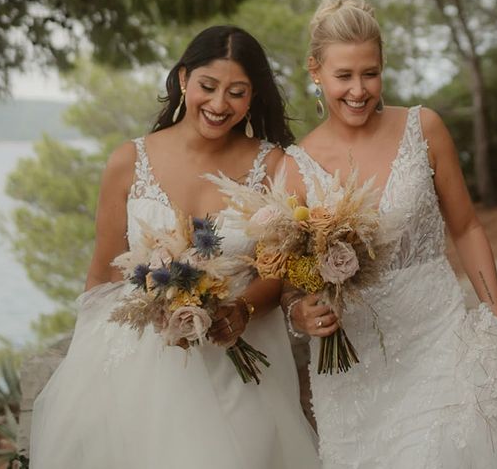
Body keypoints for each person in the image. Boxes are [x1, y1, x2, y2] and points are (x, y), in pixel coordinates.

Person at [283, 0, 497, 468]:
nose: (358, 89)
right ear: (315, 72)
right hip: (357, 372)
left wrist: (496, 317)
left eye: (370, 73)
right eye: (343, 76)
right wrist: (299, 315)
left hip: (441, 337)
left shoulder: (423, 127)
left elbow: (468, 227)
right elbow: (290, 280)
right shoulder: (294, 168)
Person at [30, 26, 320, 469]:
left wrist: (241, 311)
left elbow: (277, 271)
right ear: (184, 79)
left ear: (252, 97)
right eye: (208, 86)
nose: (220, 104)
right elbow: (104, 273)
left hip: (239, 362)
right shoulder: (129, 161)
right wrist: (85, 367)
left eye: (237, 92)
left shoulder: (274, 166)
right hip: (139, 363)